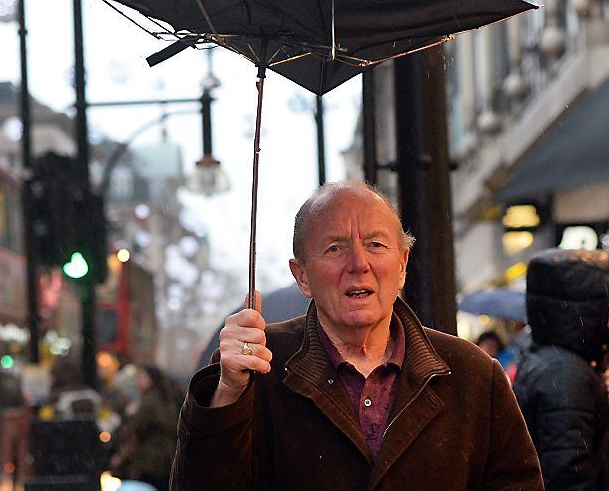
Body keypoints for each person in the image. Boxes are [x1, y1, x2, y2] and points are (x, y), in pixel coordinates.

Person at [171, 180, 543, 490]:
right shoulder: (256, 368)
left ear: (401, 266)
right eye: (335, 248)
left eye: (376, 245)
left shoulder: (473, 374)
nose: (359, 264)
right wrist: (228, 395)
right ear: (301, 275)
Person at [512, 248, 609, 489]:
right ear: (584, 304)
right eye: (607, 293)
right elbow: (568, 476)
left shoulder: (559, 363)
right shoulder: (565, 374)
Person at [109, 365, 178, 490]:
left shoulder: (148, 403)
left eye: (142, 377)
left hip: (148, 460)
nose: (138, 381)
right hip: (165, 459)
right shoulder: (167, 400)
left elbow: (134, 429)